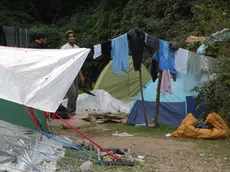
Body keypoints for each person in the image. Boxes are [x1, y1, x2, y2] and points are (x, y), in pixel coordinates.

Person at [61, 30, 85, 116]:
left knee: (76, 94)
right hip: (67, 74)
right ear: (67, 38)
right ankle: (69, 112)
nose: (72, 38)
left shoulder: (77, 48)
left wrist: (81, 76)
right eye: (70, 36)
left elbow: (78, 64)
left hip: (75, 73)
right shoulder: (64, 48)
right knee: (72, 94)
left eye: (73, 36)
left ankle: (72, 111)